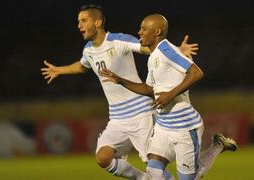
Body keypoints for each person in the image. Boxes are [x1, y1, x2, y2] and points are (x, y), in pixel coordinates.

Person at [41, 5, 198, 180]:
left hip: (141, 113)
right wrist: (59, 70)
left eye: (83, 21)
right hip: (117, 117)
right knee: (103, 157)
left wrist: (177, 50)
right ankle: (142, 178)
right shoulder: (88, 50)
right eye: (78, 21)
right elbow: (82, 65)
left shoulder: (118, 41)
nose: (79, 25)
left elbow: (149, 47)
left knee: (155, 168)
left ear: (98, 22)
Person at [99, 14, 237, 180]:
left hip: (184, 127)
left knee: (189, 178)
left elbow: (196, 73)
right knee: (154, 173)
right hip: (163, 127)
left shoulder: (166, 50)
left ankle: (217, 146)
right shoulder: (153, 57)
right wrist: (121, 81)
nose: (139, 32)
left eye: (144, 28)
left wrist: (170, 95)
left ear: (157, 31)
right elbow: (148, 89)